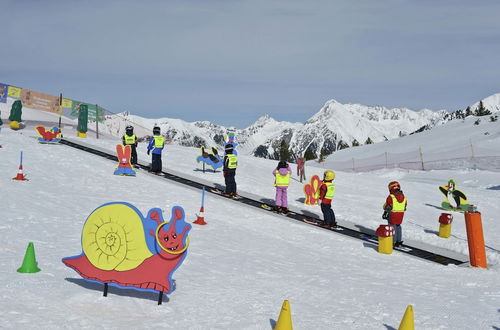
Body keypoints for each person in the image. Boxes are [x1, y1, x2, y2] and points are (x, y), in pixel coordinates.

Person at [383, 181, 407, 247]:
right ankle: (399, 241)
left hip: (393, 214)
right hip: (401, 215)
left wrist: (385, 211)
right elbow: (405, 206)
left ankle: (393, 241)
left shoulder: (391, 197)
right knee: (398, 226)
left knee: (392, 226)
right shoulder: (403, 196)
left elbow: (388, 206)